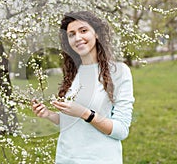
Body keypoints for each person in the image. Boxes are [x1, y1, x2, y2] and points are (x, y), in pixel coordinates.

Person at [31, 11, 135, 164]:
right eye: (71, 34)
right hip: (65, 158)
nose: (77, 38)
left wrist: (86, 113)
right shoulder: (72, 73)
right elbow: (71, 121)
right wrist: (48, 114)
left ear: (96, 34)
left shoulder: (119, 72)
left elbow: (121, 131)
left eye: (83, 30)